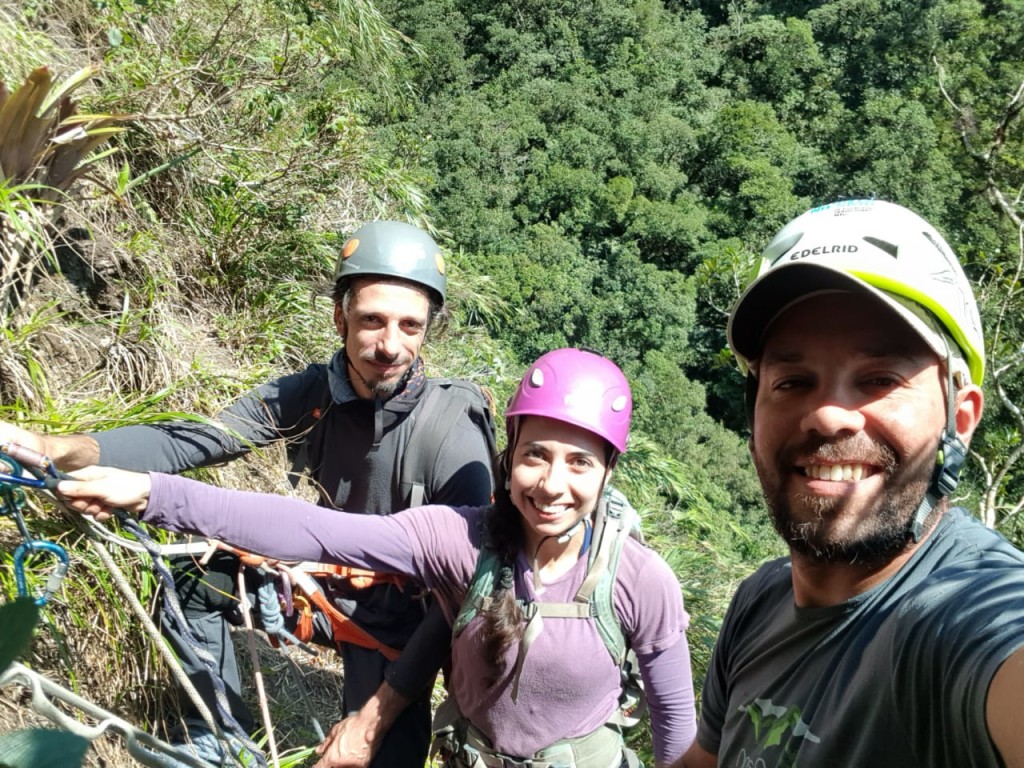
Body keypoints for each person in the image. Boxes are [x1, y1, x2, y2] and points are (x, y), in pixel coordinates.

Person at [0, 220, 496, 768]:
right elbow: (198, 438)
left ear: (429, 331)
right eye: (371, 321)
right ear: (339, 317)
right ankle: (215, 737)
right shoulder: (312, 394)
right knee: (193, 587)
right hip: (327, 590)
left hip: (408, 630)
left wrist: (373, 718)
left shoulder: (453, 426)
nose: (390, 346)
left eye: (410, 327)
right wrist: (57, 447)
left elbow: (463, 598)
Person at [53, 347, 697, 768]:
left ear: (609, 472)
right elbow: (313, 531)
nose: (552, 485)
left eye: (580, 462)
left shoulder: (640, 582)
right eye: (535, 455)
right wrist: (150, 491)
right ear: (509, 457)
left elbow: (675, 725)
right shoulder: (460, 538)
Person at [675, 199, 1024, 768]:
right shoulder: (760, 601)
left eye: (880, 378)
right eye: (792, 381)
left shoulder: (971, 616)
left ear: (959, 418)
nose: (830, 415)